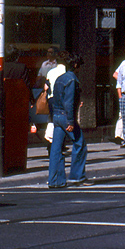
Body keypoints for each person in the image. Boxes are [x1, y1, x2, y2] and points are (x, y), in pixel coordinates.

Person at [48, 51, 89, 189]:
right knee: (80, 144)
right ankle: (77, 176)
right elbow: (69, 102)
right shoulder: (72, 79)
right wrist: (71, 121)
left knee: (56, 148)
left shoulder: (60, 78)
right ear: (75, 65)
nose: (79, 69)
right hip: (66, 116)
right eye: (79, 66)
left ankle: (55, 180)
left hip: (57, 116)